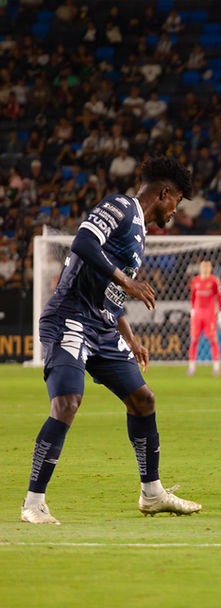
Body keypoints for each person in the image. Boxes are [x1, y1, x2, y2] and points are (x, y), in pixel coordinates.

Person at [21, 157, 201, 524]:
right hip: (69, 317)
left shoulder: (140, 232)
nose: (175, 211)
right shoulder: (121, 206)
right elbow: (83, 242)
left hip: (102, 327)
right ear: (164, 193)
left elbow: (108, 294)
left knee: (143, 399)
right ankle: (33, 503)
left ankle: (152, 493)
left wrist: (130, 339)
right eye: (177, 201)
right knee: (68, 401)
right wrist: (126, 280)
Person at [187, 260, 221, 377]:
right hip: (198, 315)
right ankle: (191, 367)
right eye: (203, 267)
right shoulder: (195, 281)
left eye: (207, 267)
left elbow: (219, 297)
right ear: (200, 268)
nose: (205, 269)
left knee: (213, 340)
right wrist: (193, 310)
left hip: (209, 314)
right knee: (194, 340)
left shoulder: (215, 281)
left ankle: (216, 367)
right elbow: (193, 297)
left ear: (211, 268)